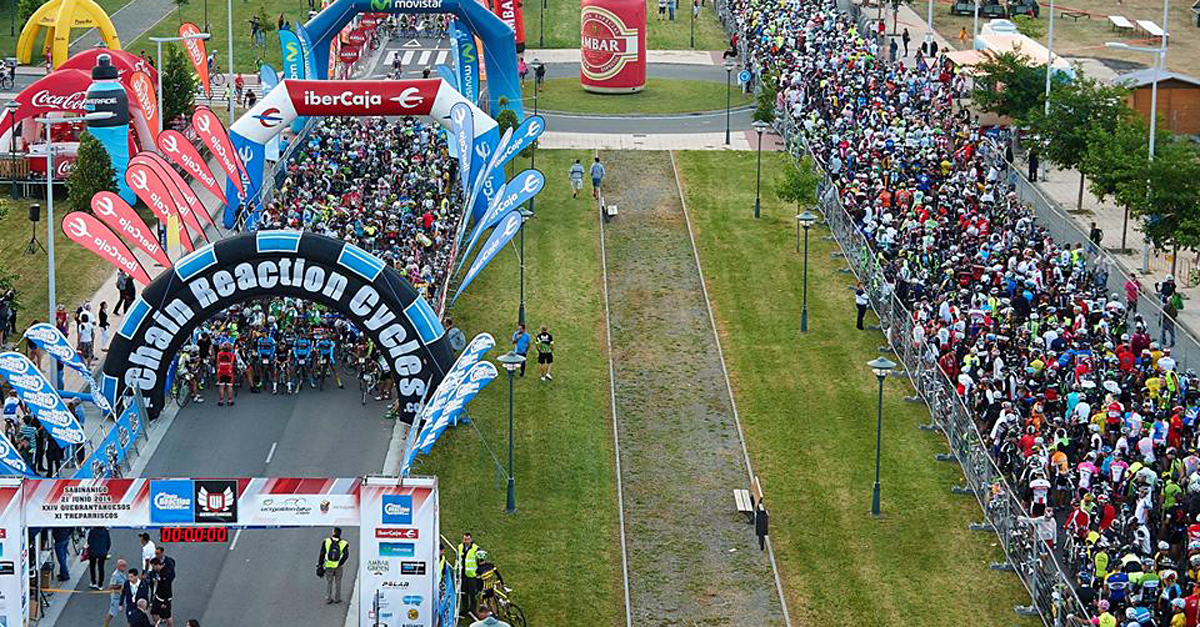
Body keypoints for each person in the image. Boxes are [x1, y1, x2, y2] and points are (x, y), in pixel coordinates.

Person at [319, 527, 349, 604]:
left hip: (328, 565)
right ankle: (337, 598)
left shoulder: (326, 541)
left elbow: (322, 554)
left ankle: (328, 598)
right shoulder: (344, 543)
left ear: (333, 532)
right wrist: (340, 563)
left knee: (329, 582)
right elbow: (346, 555)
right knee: (338, 582)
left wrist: (320, 565)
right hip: (338, 566)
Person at [458, 532, 482, 618]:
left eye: (468, 539)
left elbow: (480, 561)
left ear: (471, 539)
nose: (466, 541)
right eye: (465, 539)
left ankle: (473, 611)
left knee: (472, 594)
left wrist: (479, 574)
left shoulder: (476, 549)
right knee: (464, 593)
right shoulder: (460, 547)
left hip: (472, 576)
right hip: (463, 575)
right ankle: (465, 610)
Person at [150, 551, 176, 627]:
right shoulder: (155, 572)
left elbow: (167, 589)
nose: (153, 568)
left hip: (165, 599)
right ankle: (158, 624)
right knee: (154, 612)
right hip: (158, 597)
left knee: (167, 616)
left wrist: (165, 602)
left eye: (154, 566)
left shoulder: (165, 574)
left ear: (158, 565)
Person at [103, 559, 128, 627]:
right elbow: (111, 586)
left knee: (128, 610)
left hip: (122, 596)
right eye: (123, 566)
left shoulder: (122, 573)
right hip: (116, 597)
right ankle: (105, 625)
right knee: (112, 613)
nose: (125, 567)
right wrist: (120, 586)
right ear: (118, 566)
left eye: (125, 566)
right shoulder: (115, 575)